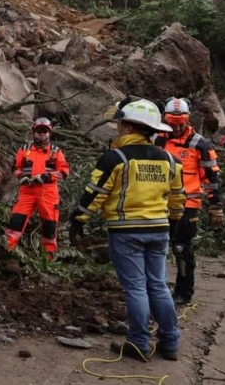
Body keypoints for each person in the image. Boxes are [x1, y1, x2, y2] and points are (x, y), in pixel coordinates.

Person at [69, 97, 185, 361]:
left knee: (135, 287)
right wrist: (175, 222)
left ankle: (138, 343)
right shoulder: (170, 159)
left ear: (130, 127)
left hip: (126, 231)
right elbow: (178, 197)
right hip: (159, 229)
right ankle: (170, 343)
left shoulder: (116, 158)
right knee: (158, 285)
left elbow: (95, 194)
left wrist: (77, 221)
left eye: (120, 124)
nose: (118, 128)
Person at [154, 97, 224, 306]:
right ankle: (158, 289)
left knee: (181, 248)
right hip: (158, 204)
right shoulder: (157, 140)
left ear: (187, 119)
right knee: (156, 247)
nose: (176, 127)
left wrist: (216, 205)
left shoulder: (200, 144)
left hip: (188, 206)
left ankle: (183, 292)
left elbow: (213, 176)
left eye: (180, 122)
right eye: (172, 122)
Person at [3, 117, 70, 261]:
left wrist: (46, 177)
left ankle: (48, 260)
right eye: (39, 131)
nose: (42, 134)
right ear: (34, 132)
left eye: (44, 131)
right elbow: (15, 167)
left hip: (48, 192)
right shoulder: (24, 149)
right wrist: (21, 177)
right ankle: (5, 252)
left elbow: (64, 171)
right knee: (16, 221)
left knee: (49, 226)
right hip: (27, 191)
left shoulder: (55, 151)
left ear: (49, 133)